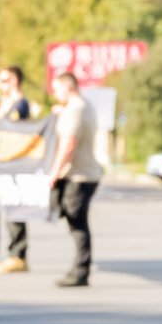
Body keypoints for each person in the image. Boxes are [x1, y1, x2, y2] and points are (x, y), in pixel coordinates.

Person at [48, 72, 103, 287]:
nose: (55, 93)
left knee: (77, 222)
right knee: (75, 220)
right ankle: (81, 267)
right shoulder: (82, 106)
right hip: (83, 174)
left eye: (57, 89)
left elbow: (69, 144)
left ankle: (81, 270)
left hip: (79, 175)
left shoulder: (75, 109)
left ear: (67, 87)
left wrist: (54, 172)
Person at [0, 66, 31, 273]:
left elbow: (13, 128)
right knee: (9, 208)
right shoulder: (9, 104)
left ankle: (18, 255)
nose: (1, 85)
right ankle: (14, 254)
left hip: (15, 164)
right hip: (6, 163)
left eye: (4, 80)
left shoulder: (20, 104)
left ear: (14, 80)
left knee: (14, 209)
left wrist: (2, 114)